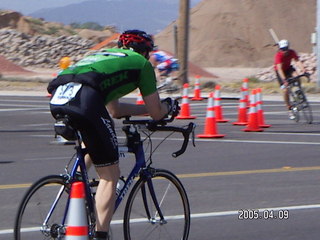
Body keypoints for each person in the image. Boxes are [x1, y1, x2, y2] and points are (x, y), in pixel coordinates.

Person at [47, 29, 180, 240]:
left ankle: (75, 178)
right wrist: (169, 107)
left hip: (59, 95)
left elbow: (115, 111)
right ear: (145, 52)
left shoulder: (106, 57)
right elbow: (157, 113)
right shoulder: (141, 64)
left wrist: (142, 109)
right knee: (110, 175)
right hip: (85, 99)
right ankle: (100, 235)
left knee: (95, 137)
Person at [274, 39, 306, 119]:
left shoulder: (292, 52)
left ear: (288, 48)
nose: (284, 51)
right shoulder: (278, 55)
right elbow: (279, 69)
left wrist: (303, 69)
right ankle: (289, 107)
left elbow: (297, 61)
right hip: (280, 72)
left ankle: (299, 92)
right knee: (285, 90)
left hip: (288, 68)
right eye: (282, 49)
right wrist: (284, 80)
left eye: (285, 49)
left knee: (296, 76)